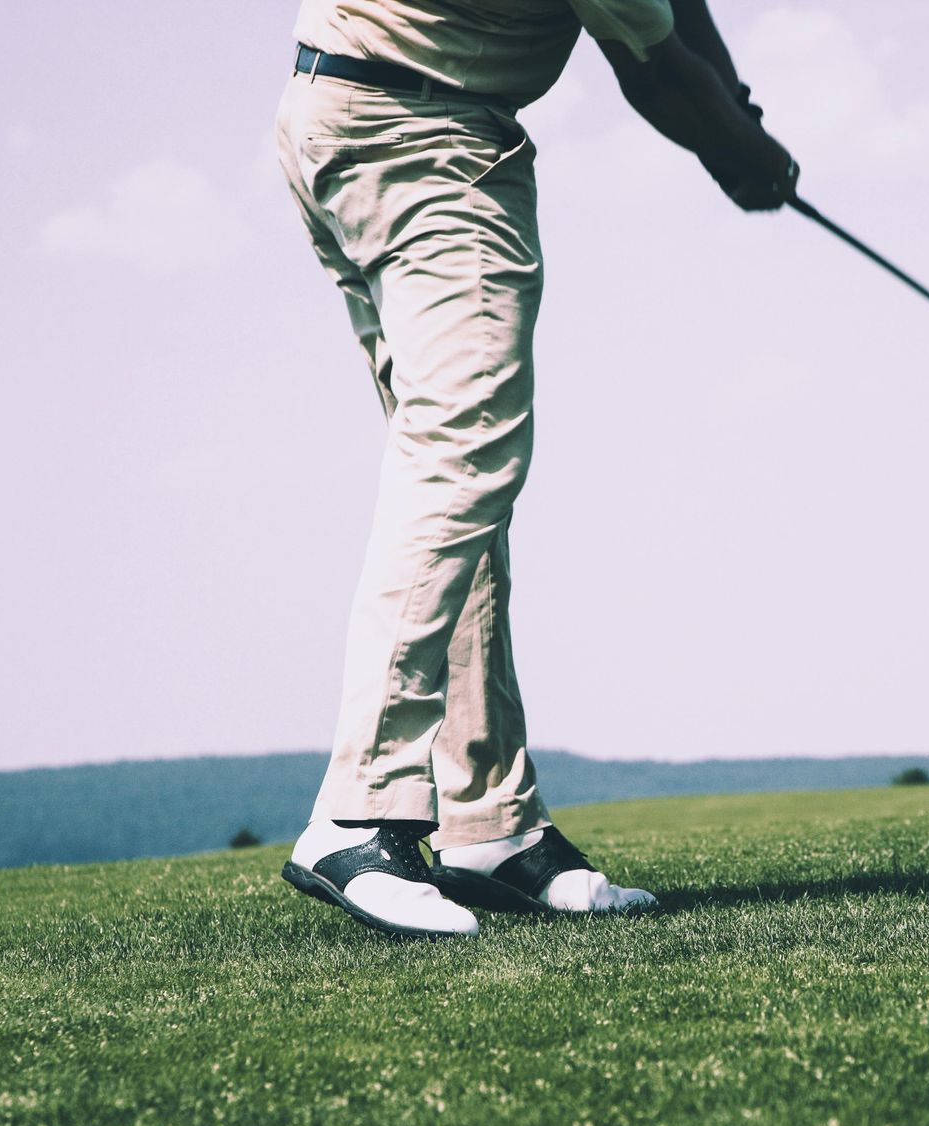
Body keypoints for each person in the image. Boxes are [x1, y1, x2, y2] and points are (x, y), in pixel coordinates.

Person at [275, 0, 798, 937]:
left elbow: (676, 15)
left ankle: (490, 825)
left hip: (339, 114)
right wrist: (742, 149)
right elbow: (657, 63)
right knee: (461, 454)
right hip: (428, 138)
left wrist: (741, 115)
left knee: (454, 479)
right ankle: (359, 810)